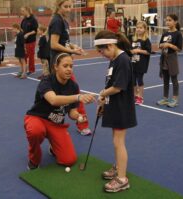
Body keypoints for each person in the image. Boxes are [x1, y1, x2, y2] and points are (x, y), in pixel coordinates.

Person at [24, 53, 96, 169]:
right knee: (35, 131)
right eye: (65, 66)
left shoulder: (73, 86)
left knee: (69, 160)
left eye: (71, 66)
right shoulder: (46, 81)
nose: (69, 69)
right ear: (56, 67)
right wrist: (78, 97)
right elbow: (53, 100)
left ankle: (54, 147)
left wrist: (78, 116)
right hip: (38, 118)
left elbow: (71, 112)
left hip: (56, 124)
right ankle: (34, 160)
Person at [94, 30, 136, 193]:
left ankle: (122, 179)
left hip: (122, 108)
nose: (101, 54)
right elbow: (110, 83)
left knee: (118, 142)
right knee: (115, 141)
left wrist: (103, 94)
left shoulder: (123, 60)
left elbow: (118, 87)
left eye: (102, 50)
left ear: (111, 45)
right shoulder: (114, 59)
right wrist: (104, 102)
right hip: (114, 105)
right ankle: (118, 167)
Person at [48, 0, 92, 136]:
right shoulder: (57, 21)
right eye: (65, 6)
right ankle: (82, 124)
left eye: (70, 6)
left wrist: (73, 47)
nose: (68, 9)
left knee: (60, 95)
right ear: (58, 6)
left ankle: (55, 126)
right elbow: (54, 44)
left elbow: (64, 42)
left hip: (63, 62)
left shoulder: (64, 21)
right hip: (58, 64)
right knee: (75, 93)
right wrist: (72, 52)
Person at [157, 14, 183, 108]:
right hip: (164, 58)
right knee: (165, 80)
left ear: (175, 22)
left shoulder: (178, 34)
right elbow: (159, 45)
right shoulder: (165, 34)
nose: (167, 22)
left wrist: (169, 45)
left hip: (172, 58)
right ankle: (165, 98)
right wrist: (162, 45)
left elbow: (179, 48)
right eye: (166, 20)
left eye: (170, 20)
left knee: (174, 80)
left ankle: (175, 99)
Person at [131, 21, 152, 105]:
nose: (138, 29)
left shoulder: (146, 40)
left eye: (141, 28)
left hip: (141, 64)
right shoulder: (133, 39)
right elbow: (130, 49)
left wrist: (139, 50)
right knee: (132, 81)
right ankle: (135, 95)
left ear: (144, 29)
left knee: (139, 80)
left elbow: (148, 52)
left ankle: (140, 97)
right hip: (132, 63)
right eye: (137, 28)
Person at [20, 6, 38, 75]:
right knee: (24, 56)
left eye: (23, 11)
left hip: (31, 41)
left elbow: (35, 31)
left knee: (31, 56)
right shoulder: (24, 19)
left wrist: (28, 34)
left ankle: (31, 70)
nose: (22, 12)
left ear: (27, 10)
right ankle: (25, 69)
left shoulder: (33, 19)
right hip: (24, 41)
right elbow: (21, 29)